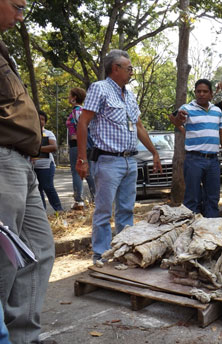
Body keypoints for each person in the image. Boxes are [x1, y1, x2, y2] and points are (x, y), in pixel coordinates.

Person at [0, 1, 65, 344]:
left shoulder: (3, 50)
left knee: (38, 249)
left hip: (21, 160)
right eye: (17, 4)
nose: (23, 11)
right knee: (3, 260)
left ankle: (23, 341)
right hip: (3, 159)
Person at [76, 49, 162, 264]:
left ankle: (124, 250)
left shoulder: (130, 95)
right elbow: (83, 123)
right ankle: (101, 254)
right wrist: (82, 159)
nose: (132, 72)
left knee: (126, 209)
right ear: (116, 68)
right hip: (108, 161)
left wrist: (153, 152)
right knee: (104, 211)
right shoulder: (100, 88)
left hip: (129, 161)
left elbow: (139, 126)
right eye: (129, 68)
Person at [170, 79, 222, 217]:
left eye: (205, 91)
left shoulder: (217, 111)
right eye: (198, 91)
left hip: (213, 161)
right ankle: (192, 231)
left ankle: (210, 231)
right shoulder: (187, 108)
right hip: (194, 160)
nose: (201, 94)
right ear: (195, 93)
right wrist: (178, 121)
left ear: (211, 94)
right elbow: (173, 118)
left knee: (212, 199)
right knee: (192, 199)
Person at [66, 87, 96, 209]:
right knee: (88, 172)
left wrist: (75, 136)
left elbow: (81, 128)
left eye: (70, 95)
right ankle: (95, 197)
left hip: (77, 145)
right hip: (87, 145)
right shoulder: (84, 111)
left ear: (74, 98)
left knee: (77, 172)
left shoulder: (76, 111)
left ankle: (79, 200)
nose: (68, 97)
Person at [33, 110, 64, 212]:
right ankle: (42, 212)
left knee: (48, 187)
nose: (40, 121)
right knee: (38, 190)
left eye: (43, 119)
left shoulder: (48, 133)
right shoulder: (31, 134)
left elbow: (53, 147)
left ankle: (59, 210)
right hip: (33, 167)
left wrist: (36, 148)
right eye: (38, 118)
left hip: (46, 166)